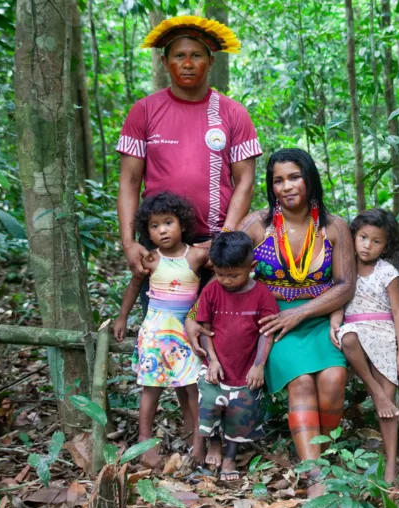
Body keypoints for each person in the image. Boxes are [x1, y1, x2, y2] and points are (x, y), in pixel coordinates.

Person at [116, 15, 262, 445]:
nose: (187, 62)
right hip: (161, 246)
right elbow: (128, 181)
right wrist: (128, 241)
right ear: (165, 62)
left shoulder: (232, 113)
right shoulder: (144, 111)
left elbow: (245, 181)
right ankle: (186, 431)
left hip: (215, 246)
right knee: (167, 335)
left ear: (210, 61)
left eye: (196, 54)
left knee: (217, 336)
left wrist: (226, 240)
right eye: (179, 55)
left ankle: (223, 435)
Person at [190, 148, 356, 478]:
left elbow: (345, 286)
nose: (287, 186)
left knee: (334, 379)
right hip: (269, 322)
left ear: (310, 178)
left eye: (294, 177)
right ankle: (315, 474)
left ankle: (326, 449)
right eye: (278, 180)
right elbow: (224, 268)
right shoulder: (257, 224)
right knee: (301, 383)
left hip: (319, 316)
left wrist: (302, 313)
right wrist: (193, 314)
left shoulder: (334, 227)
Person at [112, 192, 209, 469]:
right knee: (151, 387)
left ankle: (198, 441)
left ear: (183, 223)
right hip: (156, 330)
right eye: (154, 226)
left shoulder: (198, 256)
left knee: (193, 387)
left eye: (168, 222)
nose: (162, 230)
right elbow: (134, 287)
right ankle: (145, 444)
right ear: (148, 232)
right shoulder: (151, 259)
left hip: (186, 331)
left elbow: (224, 272)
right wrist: (122, 318)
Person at [329, 208, 399, 484]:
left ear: (386, 246)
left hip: (383, 333)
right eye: (363, 237)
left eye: (377, 241)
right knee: (348, 336)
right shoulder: (344, 266)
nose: (367, 245)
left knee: (388, 405)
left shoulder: (388, 272)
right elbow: (338, 300)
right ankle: (374, 390)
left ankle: (390, 465)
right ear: (354, 235)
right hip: (354, 332)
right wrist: (335, 323)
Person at [191, 231, 279, 481]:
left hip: (246, 368)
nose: (227, 280)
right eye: (220, 274)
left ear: (251, 267)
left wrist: (259, 365)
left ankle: (231, 455)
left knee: (240, 413)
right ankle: (214, 443)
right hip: (216, 364)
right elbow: (205, 328)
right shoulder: (211, 291)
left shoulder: (262, 294)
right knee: (209, 404)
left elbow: (266, 333)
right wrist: (213, 360)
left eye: (234, 275)